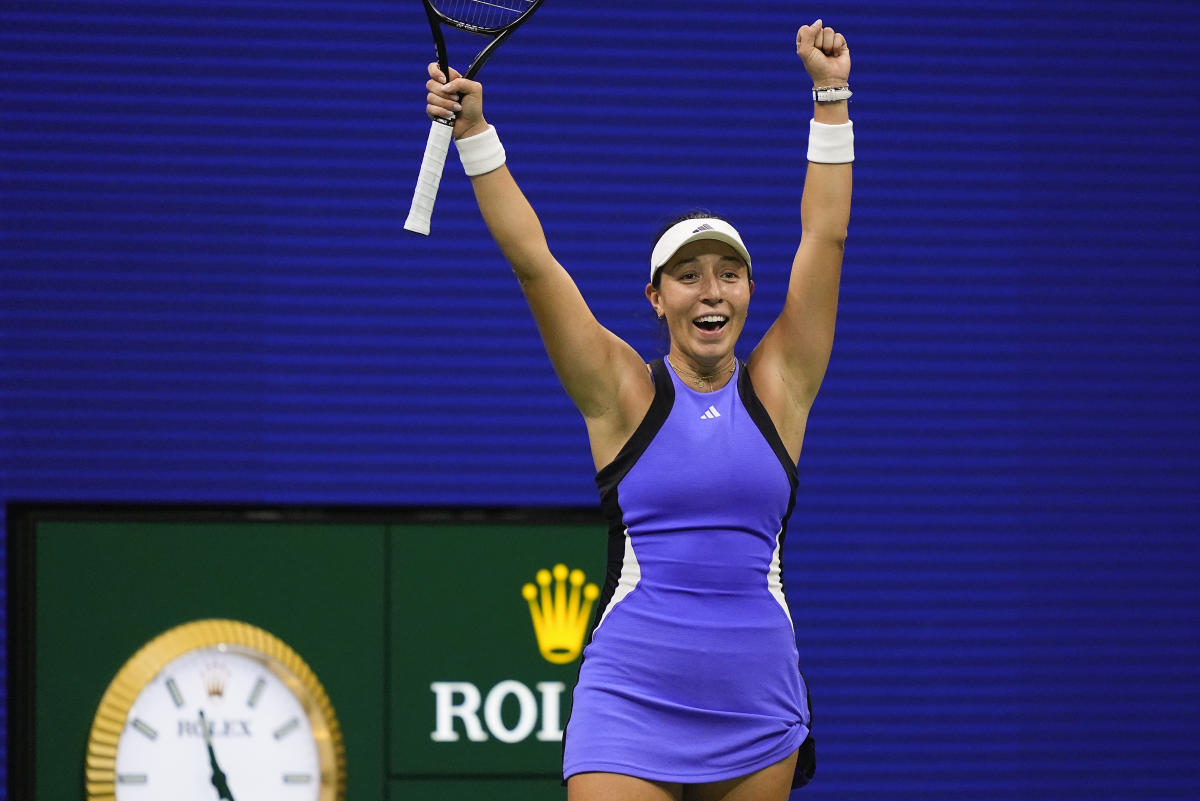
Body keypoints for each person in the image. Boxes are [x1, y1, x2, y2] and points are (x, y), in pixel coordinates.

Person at [425, 18, 852, 801]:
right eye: (687, 275)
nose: (711, 289)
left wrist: (831, 96)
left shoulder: (781, 385)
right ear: (656, 300)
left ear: (750, 293)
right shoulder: (623, 392)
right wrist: (476, 133)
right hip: (630, 697)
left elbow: (823, 239)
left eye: (729, 272)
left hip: (758, 701)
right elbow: (534, 265)